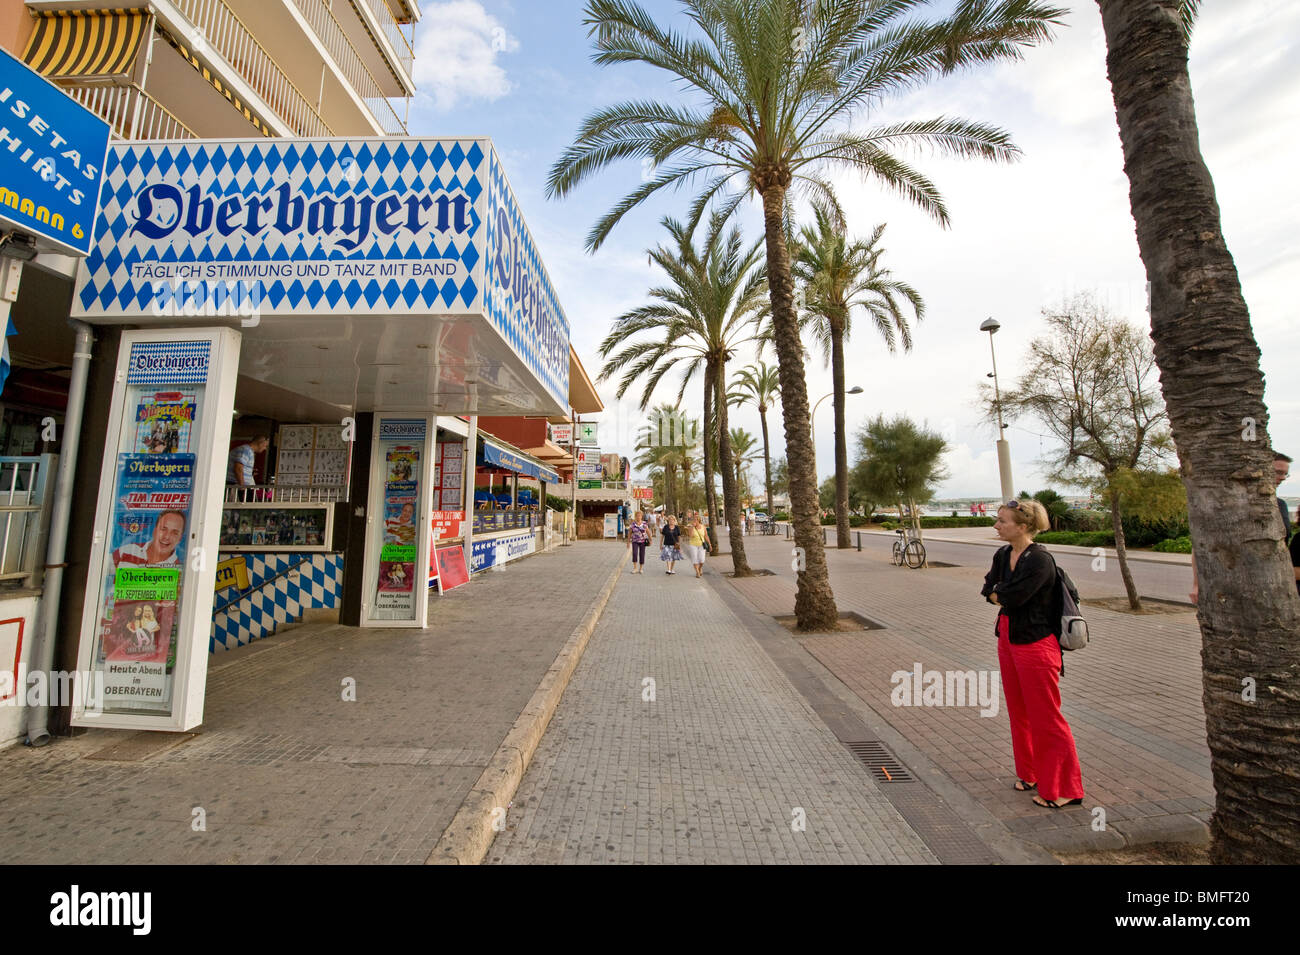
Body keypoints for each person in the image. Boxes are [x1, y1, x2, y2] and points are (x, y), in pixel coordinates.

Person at [980, 498, 1085, 810]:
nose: (996, 526)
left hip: (1037, 643)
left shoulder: (1040, 560)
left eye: (1002, 521)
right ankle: (1031, 773)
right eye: (997, 520)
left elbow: (1015, 596)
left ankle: (1066, 788)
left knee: (1046, 716)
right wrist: (1000, 594)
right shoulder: (1002, 554)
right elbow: (989, 590)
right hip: (1008, 637)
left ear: (1022, 527)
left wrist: (1001, 594)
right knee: (1019, 711)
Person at [112, 510, 185, 568]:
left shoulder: (177, 568)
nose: (166, 537)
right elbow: (102, 571)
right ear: (154, 531)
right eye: (163, 529)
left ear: (180, 539)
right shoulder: (127, 550)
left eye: (174, 533)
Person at [684, 512, 711, 578]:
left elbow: (706, 536)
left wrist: (710, 544)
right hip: (693, 545)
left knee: (702, 560)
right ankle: (697, 572)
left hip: (701, 545)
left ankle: (699, 568)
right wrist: (692, 527)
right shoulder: (690, 527)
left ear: (699, 520)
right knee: (695, 559)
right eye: (693, 520)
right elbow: (691, 536)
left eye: (696, 520)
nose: (694, 521)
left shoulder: (703, 527)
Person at [627, 510, 650, 574]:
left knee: (642, 554)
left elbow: (648, 532)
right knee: (634, 553)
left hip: (643, 541)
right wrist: (628, 542)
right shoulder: (633, 524)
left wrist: (650, 540)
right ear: (635, 516)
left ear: (641, 516)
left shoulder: (644, 524)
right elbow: (629, 533)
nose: (638, 517)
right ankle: (635, 568)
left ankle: (641, 568)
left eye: (639, 516)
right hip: (635, 541)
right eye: (637, 516)